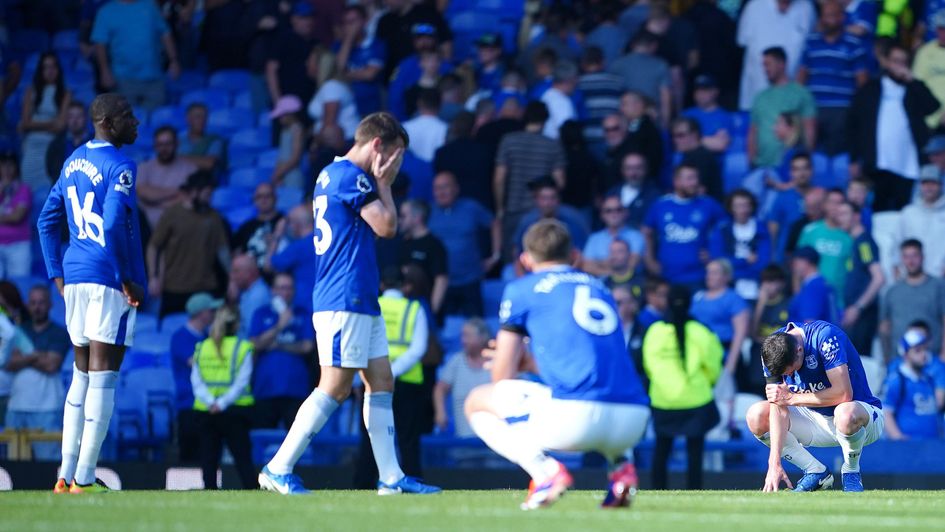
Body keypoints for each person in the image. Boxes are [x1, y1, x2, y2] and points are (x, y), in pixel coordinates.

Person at [259, 112, 440, 495]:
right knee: (336, 386)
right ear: (377, 146)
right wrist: (384, 184)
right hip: (344, 296)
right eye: (395, 155)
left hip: (359, 295)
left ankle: (391, 477)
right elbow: (387, 227)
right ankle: (278, 467)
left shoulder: (331, 174)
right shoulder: (351, 178)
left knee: (381, 380)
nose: (395, 164)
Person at [465, 220, 650, 509]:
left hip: (577, 421)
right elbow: (588, 365)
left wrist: (516, 361)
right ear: (574, 255)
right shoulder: (601, 288)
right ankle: (621, 468)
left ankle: (545, 473)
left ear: (525, 260)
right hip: (633, 422)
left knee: (477, 401)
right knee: (601, 388)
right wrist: (532, 363)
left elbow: (502, 377)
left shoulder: (522, 289)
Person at [37, 93, 147, 493]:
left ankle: (64, 475)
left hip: (76, 276)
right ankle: (84, 478)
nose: (136, 122)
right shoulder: (120, 165)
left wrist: (57, 276)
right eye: (128, 116)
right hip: (106, 278)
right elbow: (114, 220)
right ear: (108, 122)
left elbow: (46, 221)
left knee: (80, 375)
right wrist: (124, 276)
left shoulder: (71, 162)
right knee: (104, 376)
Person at [747, 320, 884, 492]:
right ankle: (815, 471)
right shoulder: (770, 350)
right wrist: (774, 464)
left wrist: (792, 398)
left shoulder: (825, 337)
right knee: (756, 415)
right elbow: (778, 405)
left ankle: (851, 470)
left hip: (859, 419)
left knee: (845, 413)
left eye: (791, 370)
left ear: (799, 350)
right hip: (812, 419)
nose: (791, 375)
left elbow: (843, 394)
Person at [643, 285, 723, 490]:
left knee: (662, 450)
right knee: (695, 453)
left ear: (667, 303)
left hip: (663, 400)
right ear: (689, 304)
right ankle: (694, 491)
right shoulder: (701, 331)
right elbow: (714, 365)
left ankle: (658, 490)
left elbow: (649, 366)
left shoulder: (655, 331)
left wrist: (665, 384)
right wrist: (706, 383)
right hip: (696, 399)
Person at [355, 266, 430, 486]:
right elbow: (419, 348)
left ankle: (363, 485)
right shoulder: (414, 309)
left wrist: (375, 376)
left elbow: (359, 343)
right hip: (407, 383)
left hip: (372, 380)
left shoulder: (371, 307)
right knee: (408, 440)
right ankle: (413, 482)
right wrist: (393, 372)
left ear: (381, 285)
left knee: (371, 437)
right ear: (405, 285)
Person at [847, 42, 940, 211]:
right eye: (895, 61)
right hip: (877, 164)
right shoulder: (870, 89)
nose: (899, 66)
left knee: (904, 212)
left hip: (907, 165)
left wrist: (913, 81)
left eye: (903, 62)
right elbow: (854, 125)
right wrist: (854, 158)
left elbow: (933, 106)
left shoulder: (913, 89)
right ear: (887, 62)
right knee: (877, 211)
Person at [147, 171, 230, 318]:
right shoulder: (172, 214)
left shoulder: (214, 217)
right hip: (174, 288)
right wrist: (154, 276)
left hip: (205, 287)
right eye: (207, 194)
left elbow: (222, 250)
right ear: (193, 192)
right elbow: (154, 246)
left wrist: (232, 278)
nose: (209, 199)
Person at [191, 305, 256, 489]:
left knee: (208, 459)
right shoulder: (243, 347)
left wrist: (212, 402)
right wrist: (222, 403)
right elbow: (242, 382)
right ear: (237, 324)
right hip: (235, 410)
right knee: (243, 458)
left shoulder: (202, 347)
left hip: (206, 410)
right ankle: (251, 491)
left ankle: (209, 492)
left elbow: (195, 381)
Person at [4, 285, 70, 461]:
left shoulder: (59, 333)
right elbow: (8, 363)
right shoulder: (18, 331)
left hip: (47, 408)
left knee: (48, 463)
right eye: (33, 303)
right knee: (13, 465)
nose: (37, 307)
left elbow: (51, 365)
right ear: (28, 305)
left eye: (41, 303)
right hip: (17, 406)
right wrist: (37, 355)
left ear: (50, 304)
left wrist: (23, 357)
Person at [494, 101, 566, 260]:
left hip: (513, 209)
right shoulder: (552, 145)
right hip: (542, 211)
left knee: (513, 259)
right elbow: (560, 182)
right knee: (545, 256)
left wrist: (500, 208)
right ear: (545, 120)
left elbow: (499, 179)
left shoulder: (508, 141)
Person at [796, 0, 869, 156]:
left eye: (831, 16)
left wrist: (858, 110)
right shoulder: (811, 42)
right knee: (811, 156)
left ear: (841, 17)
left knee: (838, 157)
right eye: (824, 16)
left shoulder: (853, 44)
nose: (826, 20)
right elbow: (802, 75)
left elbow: (862, 81)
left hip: (842, 110)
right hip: (814, 108)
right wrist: (798, 104)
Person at [642, 164, 725, 291]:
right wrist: (649, 261)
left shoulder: (708, 204)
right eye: (690, 178)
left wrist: (714, 252)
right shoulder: (661, 205)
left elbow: (726, 229)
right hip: (666, 277)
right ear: (676, 181)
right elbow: (646, 232)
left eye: (696, 178)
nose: (695, 182)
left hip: (698, 276)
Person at [429, 172, 499, 317]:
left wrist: (495, 255)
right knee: (442, 326)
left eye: (445, 187)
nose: (441, 192)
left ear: (456, 188)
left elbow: (494, 223)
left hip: (470, 280)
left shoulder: (471, 208)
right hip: (441, 283)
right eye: (437, 188)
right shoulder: (428, 212)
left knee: (476, 325)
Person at [249, 273, 313, 430]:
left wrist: (277, 345)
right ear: (273, 290)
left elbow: (307, 346)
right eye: (281, 288)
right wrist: (280, 325)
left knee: (296, 436)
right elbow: (254, 344)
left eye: (289, 288)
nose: (285, 292)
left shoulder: (303, 314)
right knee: (263, 435)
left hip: (295, 387)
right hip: (265, 387)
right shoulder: (261, 313)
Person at [91, 0, 180, 109]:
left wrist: (173, 60)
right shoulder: (106, 12)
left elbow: (165, 33)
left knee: (158, 117)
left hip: (154, 78)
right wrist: (104, 70)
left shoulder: (149, 6)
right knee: (124, 117)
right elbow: (100, 44)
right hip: (122, 79)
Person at [736, 0, 815, 111]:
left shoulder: (807, 8)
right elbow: (741, 41)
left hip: (791, 102)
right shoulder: (754, 6)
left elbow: (811, 47)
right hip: (754, 98)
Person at [170, 292, 221, 462]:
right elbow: (195, 363)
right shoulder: (180, 337)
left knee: (210, 453)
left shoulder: (208, 337)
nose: (214, 314)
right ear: (201, 313)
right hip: (189, 403)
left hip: (209, 404)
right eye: (211, 311)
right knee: (189, 456)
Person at [748, 47, 817, 170]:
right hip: (761, 166)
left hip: (790, 168)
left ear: (781, 64)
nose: (765, 69)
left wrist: (804, 163)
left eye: (768, 64)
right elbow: (753, 132)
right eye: (763, 65)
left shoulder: (801, 94)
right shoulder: (760, 97)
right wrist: (751, 161)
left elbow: (809, 129)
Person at [879, 239, 945, 362]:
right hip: (899, 361)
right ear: (901, 259)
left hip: (933, 359)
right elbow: (884, 327)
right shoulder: (892, 291)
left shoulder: (939, 287)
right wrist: (887, 359)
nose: (911, 261)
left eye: (915, 255)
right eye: (906, 256)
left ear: (922, 257)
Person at [690, 259, 750, 386]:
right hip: (700, 354)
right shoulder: (698, 297)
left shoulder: (734, 299)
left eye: (714, 273)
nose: (709, 276)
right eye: (708, 272)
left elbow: (740, 333)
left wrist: (731, 364)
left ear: (726, 276)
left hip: (724, 353)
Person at [836, 201, 884, 356]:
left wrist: (858, 307)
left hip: (862, 315)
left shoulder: (864, 243)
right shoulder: (856, 242)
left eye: (844, 214)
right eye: (839, 214)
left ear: (856, 217)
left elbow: (879, 278)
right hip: (855, 312)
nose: (839, 218)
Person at [18, 52, 70, 190]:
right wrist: (51, 123)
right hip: (31, 147)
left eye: (53, 67)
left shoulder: (65, 94)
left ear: (58, 69)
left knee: (48, 186)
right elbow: (25, 123)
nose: (50, 71)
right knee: (27, 184)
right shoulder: (30, 91)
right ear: (40, 71)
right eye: (46, 67)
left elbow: (61, 125)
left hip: (51, 147)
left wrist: (34, 124)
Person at [433, 318, 491, 438]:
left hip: (493, 441)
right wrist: (440, 412)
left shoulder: (496, 362)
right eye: (462, 336)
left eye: (468, 336)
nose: (463, 340)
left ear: (482, 338)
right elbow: (440, 389)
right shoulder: (457, 362)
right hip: (463, 441)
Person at [882, 329, 944, 439]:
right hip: (909, 446)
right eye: (917, 351)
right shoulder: (897, 380)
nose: (923, 354)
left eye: (925, 349)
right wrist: (898, 438)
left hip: (933, 444)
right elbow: (886, 413)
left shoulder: (929, 379)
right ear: (905, 355)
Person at [710, 189, 772, 302]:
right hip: (728, 288)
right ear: (731, 208)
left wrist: (736, 271)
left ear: (752, 207)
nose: (743, 210)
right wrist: (744, 261)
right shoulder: (722, 229)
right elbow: (719, 260)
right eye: (738, 206)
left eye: (746, 205)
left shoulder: (761, 229)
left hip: (756, 287)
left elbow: (764, 261)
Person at [136, 126, 198, 229]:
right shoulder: (144, 167)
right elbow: (143, 193)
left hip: (179, 225)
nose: (164, 148)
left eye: (168, 144)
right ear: (155, 146)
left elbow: (189, 200)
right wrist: (178, 191)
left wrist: (152, 202)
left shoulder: (190, 169)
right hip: (145, 227)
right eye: (160, 144)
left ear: (176, 144)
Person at [797, 188, 853, 298]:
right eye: (832, 202)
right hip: (810, 296)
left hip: (837, 299)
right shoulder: (810, 231)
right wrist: (798, 295)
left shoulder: (848, 238)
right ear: (824, 205)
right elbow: (798, 265)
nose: (835, 207)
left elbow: (850, 270)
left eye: (839, 203)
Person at [397, 199, 449, 318]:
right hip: (404, 311)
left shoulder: (434, 245)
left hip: (424, 309)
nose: (399, 220)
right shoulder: (403, 243)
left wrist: (431, 313)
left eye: (403, 216)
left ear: (417, 218)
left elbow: (441, 281)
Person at [264, 2, 320, 105]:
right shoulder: (282, 40)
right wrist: (278, 102)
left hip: (310, 102)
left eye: (310, 17)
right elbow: (271, 70)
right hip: (287, 102)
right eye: (304, 18)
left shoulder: (316, 44)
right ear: (293, 19)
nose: (308, 22)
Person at [267, 204, 316, 314]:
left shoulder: (298, 247)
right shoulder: (326, 243)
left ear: (296, 225)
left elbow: (269, 265)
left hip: (305, 307)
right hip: (326, 303)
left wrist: (277, 235)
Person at [897, 164, 945, 277]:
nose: (929, 187)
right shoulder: (908, 213)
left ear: (941, 185)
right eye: (925, 183)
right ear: (919, 186)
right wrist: (898, 270)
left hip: (940, 277)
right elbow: (898, 243)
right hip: (911, 277)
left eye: (933, 183)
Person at [582, 195, 645, 278]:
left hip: (630, 284)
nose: (614, 214)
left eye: (618, 210)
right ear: (602, 215)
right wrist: (615, 271)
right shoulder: (594, 239)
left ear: (625, 213)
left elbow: (632, 263)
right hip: (601, 284)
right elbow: (587, 266)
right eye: (608, 211)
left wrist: (599, 263)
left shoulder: (636, 236)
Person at [233, 183, 283, 270]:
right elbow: (236, 253)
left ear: (275, 199)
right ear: (254, 200)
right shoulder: (246, 227)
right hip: (251, 275)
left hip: (280, 273)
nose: (263, 200)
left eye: (267, 196)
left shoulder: (286, 223)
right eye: (259, 197)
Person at [671, 118, 723, 203]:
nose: (675, 140)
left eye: (680, 135)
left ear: (694, 135)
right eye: (673, 136)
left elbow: (700, 190)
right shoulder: (688, 156)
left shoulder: (702, 157)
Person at [607, 151, 660, 227]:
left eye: (638, 168)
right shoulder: (612, 193)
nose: (633, 173)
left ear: (646, 169)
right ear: (622, 170)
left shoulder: (655, 195)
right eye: (629, 168)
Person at [683, 75, 734, 153]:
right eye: (698, 90)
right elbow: (681, 143)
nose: (700, 94)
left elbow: (721, 144)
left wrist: (693, 140)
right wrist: (708, 141)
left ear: (715, 92)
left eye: (705, 90)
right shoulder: (686, 115)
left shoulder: (724, 116)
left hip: (713, 158)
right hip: (688, 158)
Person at [0, 153, 32, 278]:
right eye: (3, 165)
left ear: (16, 168)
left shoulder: (24, 189)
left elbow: (17, 217)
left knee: (19, 283)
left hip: (19, 245)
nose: (7, 169)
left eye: (10, 165)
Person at [788, 246, 838, 324]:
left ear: (806, 263)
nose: (793, 267)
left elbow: (809, 322)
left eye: (796, 263)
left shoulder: (813, 287)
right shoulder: (823, 283)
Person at [45, 102, 93, 182]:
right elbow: (52, 170)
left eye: (79, 116)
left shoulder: (95, 143)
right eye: (71, 117)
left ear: (86, 118)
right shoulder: (56, 144)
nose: (75, 121)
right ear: (66, 119)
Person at [228, 253, 271, 336]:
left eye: (235, 271)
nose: (231, 276)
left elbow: (251, 334)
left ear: (248, 273)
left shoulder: (256, 296)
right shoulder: (247, 290)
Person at [269, 96, 306, 189]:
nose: (280, 118)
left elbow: (295, 158)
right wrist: (278, 174)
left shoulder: (297, 130)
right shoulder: (284, 131)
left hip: (292, 175)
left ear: (291, 114)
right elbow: (282, 155)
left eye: (282, 115)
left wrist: (278, 173)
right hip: (283, 174)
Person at [402, 88, 447, 162]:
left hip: (410, 168)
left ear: (419, 103)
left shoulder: (405, 128)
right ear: (441, 104)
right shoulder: (446, 129)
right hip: (435, 167)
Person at [178, 103, 224, 173]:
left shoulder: (214, 140)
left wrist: (178, 159)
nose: (202, 120)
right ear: (188, 119)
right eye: (198, 117)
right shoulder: (178, 140)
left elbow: (208, 164)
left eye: (205, 117)